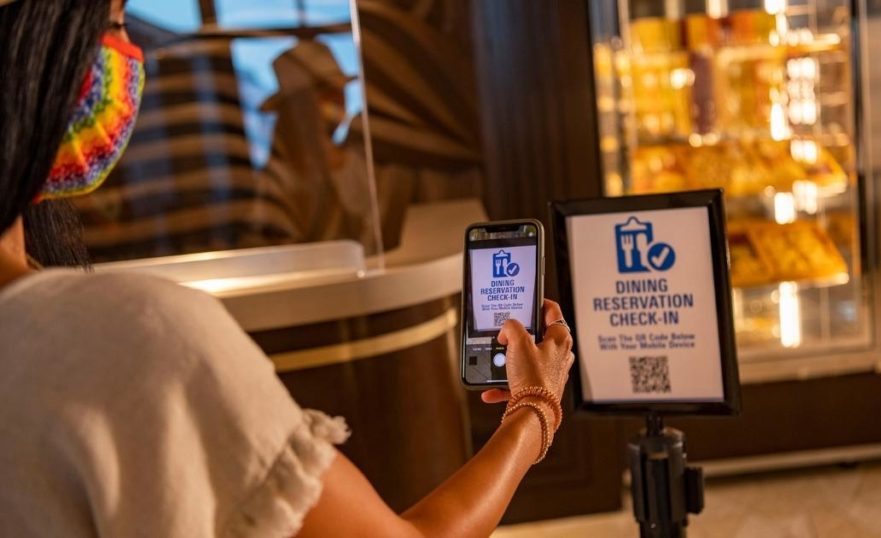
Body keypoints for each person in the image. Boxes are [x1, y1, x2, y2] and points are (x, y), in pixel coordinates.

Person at [0, 1, 575, 537]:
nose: (129, 54)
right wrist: (535, 410)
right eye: (117, 21)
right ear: (40, 45)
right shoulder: (140, 338)